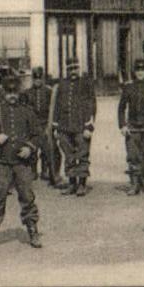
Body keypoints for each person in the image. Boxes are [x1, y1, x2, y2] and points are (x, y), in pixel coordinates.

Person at [0, 71, 43, 250]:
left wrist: (29, 147)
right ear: (3, 92)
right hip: (0, 160)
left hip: (22, 162)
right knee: (0, 191)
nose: (12, 96)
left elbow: (38, 134)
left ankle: (33, 231)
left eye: (15, 92)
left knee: (27, 194)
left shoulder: (27, 112)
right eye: (8, 92)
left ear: (19, 92)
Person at [52, 58, 96, 194]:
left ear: (79, 69)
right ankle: (72, 183)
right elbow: (57, 106)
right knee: (69, 155)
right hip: (65, 127)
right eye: (70, 69)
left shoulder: (86, 84)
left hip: (81, 126)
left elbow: (92, 105)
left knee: (82, 154)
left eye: (75, 68)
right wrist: (56, 127)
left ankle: (82, 184)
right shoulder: (62, 84)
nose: (73, 72)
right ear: (67, 70)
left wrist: (89, 127)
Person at [118, 58, 144, 195]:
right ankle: (134, 184)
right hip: (133, 127)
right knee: (133, 156)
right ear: (134, 72)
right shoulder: (128, 87)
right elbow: (121, 108)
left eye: (142, 69)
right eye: (137, 70)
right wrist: (123, 125)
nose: (140, 72)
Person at [22, 65, 57, 186]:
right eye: (35, 78)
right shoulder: (27, 93)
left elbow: (53, 109)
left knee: (46, 148)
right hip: (32, 125)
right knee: (32, 148)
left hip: (45, 123)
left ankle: (45, 171)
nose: (37, 81)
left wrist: (50, 125)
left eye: (39, 78)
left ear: (42, 79)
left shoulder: (48, 91)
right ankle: (33, 171)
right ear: (32, 79)